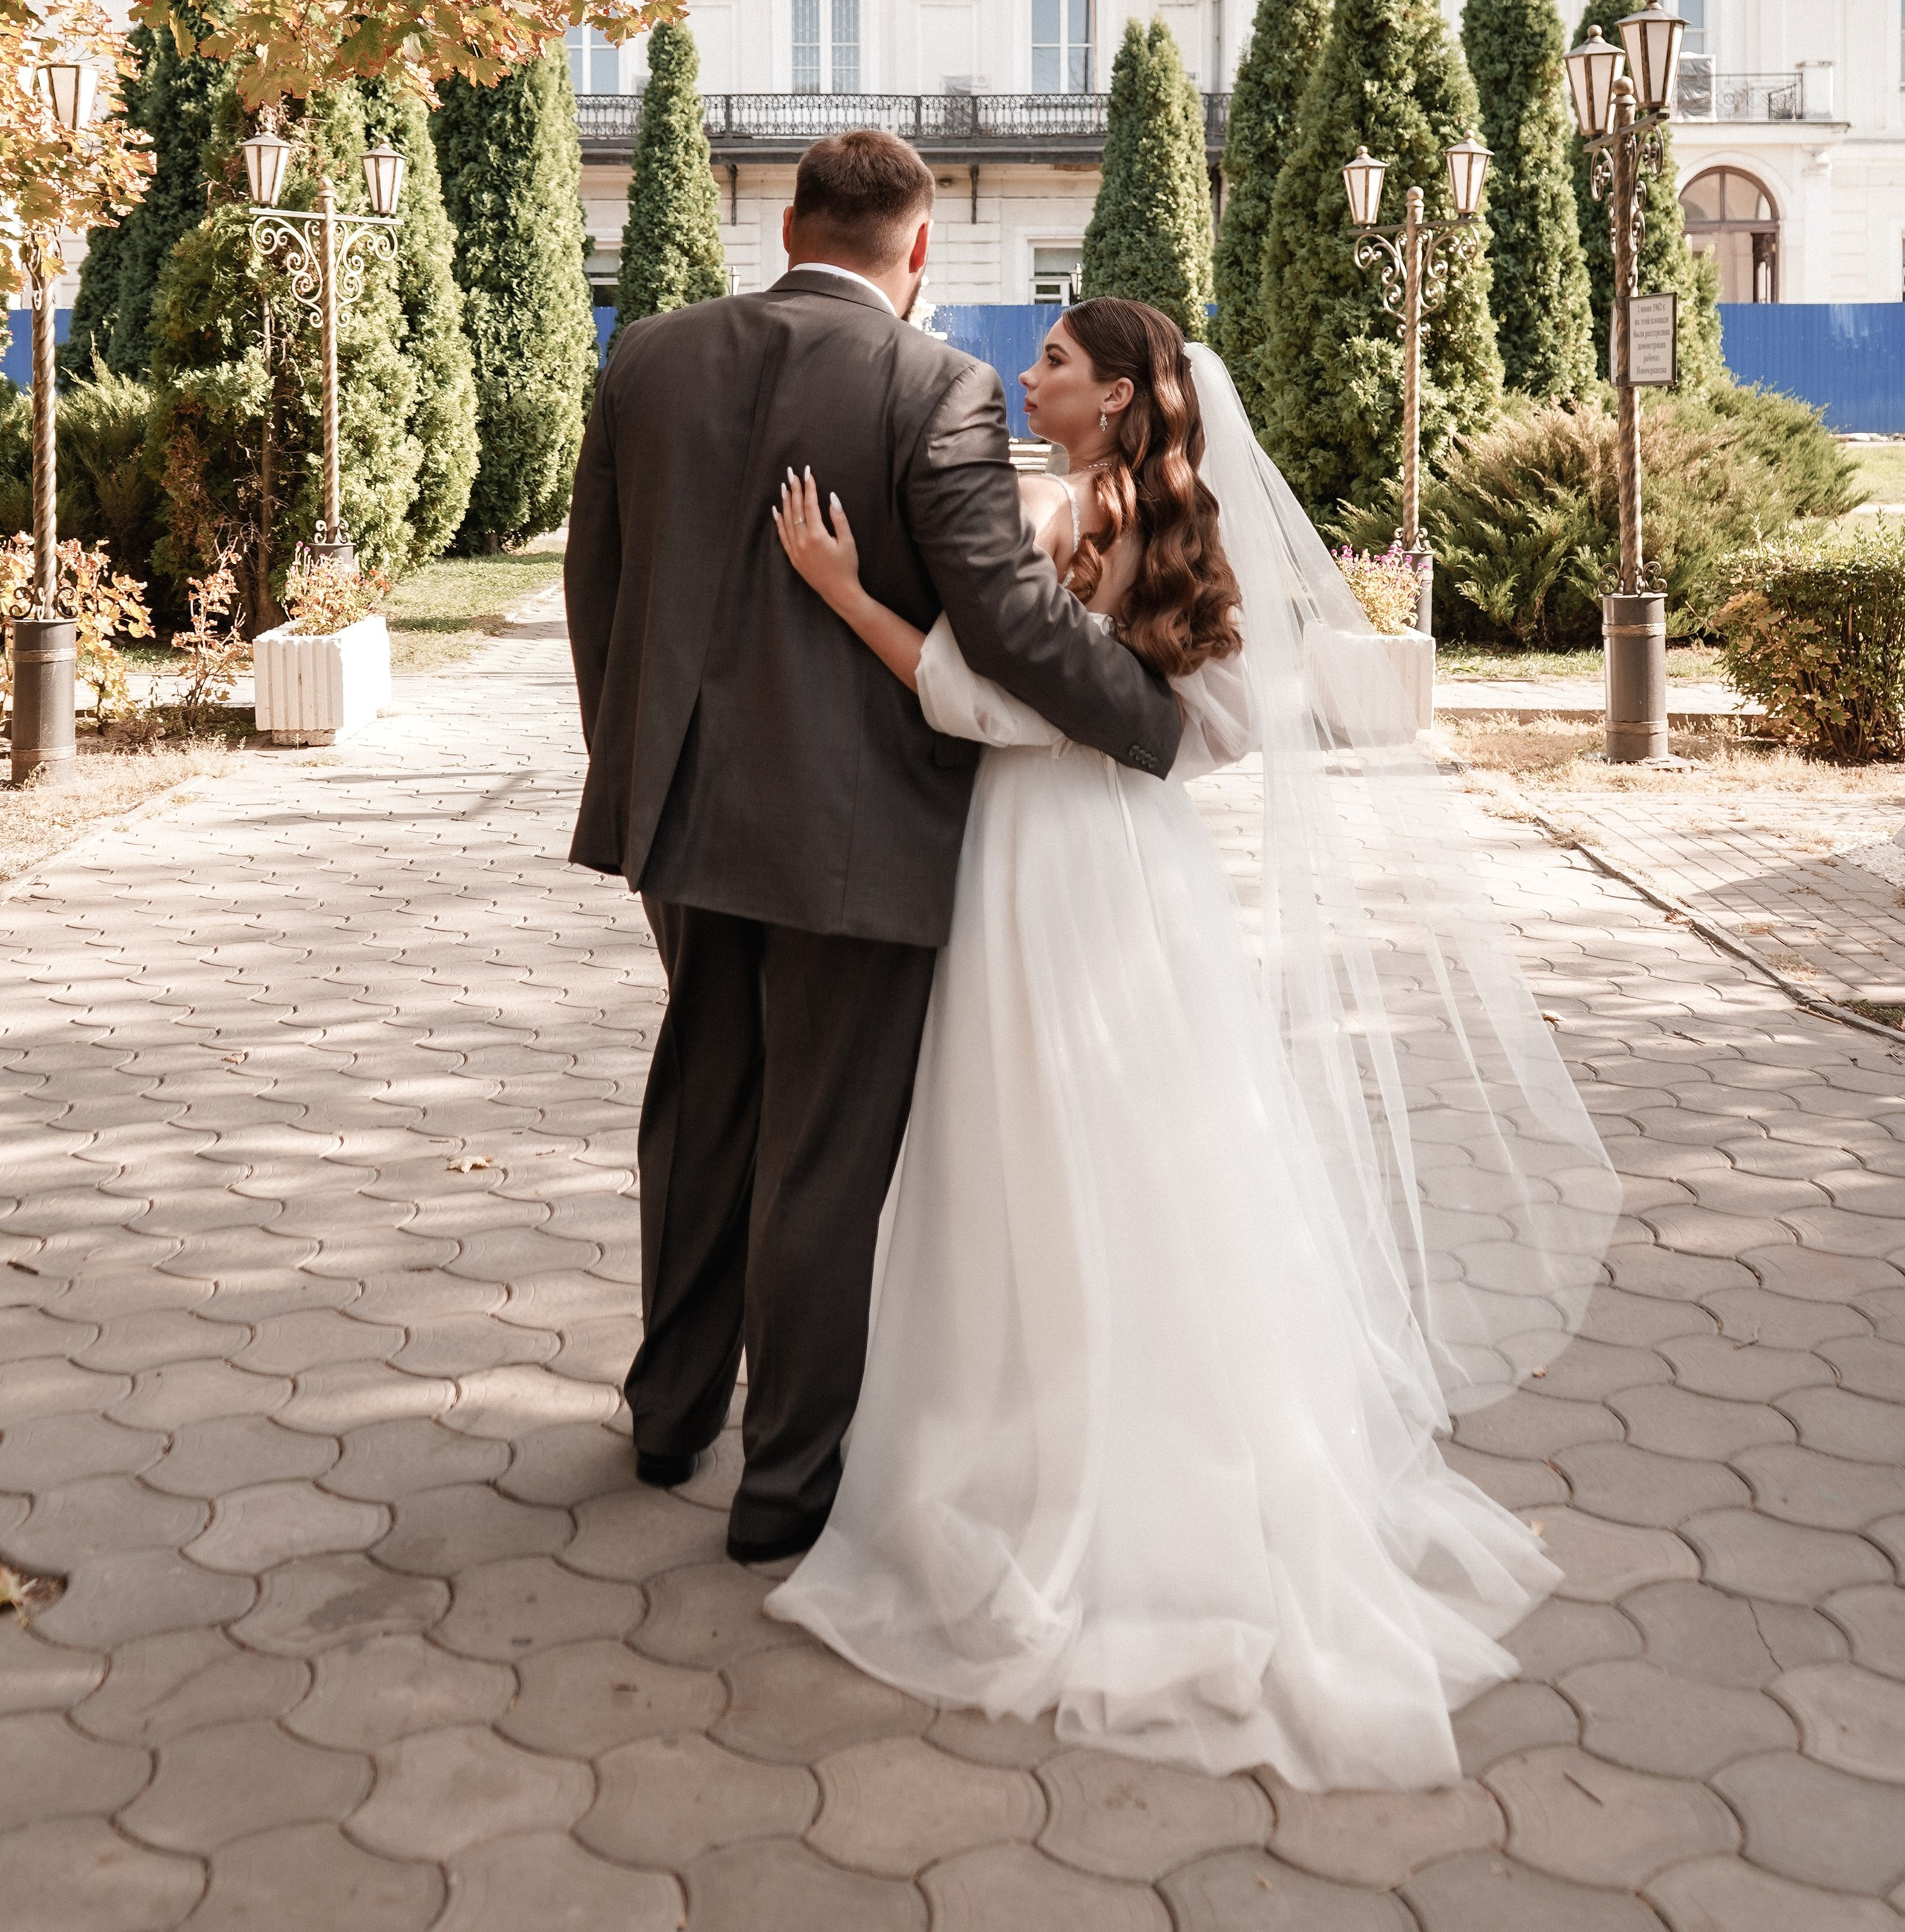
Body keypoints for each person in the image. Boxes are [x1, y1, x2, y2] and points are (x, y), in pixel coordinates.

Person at [762, 298, 1620, 1785]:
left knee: (1025, 1139)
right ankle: (1177, 1438)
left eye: (1049, 363)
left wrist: (840, 588)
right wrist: (1098, 724)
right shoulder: (1178, 525)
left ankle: (1039, 1451)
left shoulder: (1054, 522)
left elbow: (964, 692)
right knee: (1152, 1145)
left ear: (1107, 397)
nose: (1022, 377)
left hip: (1033, 862)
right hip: (1141, 867)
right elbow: (1214, 727)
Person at [563, 132, 1180, 1565]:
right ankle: (782, 1488)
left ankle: (667, 1419)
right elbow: (1010, 619)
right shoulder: (936, 385)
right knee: (827, 1157)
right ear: (919, 255)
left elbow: (599, 589)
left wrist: (636, 775)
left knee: (701, 1108)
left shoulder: (646, 353)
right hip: (862, 839)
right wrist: (1152, 723)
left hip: (682, 821)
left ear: (786, 223)